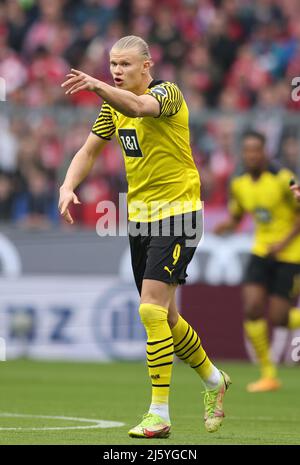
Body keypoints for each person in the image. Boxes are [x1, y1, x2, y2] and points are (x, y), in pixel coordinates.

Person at [59, 35, 231, 438]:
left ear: (147, 66)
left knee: (150, 310)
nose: (117, 71)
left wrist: (97, 84)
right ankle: (213, 380)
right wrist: (68, 185)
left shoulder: (167, 94)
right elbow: (87, 152)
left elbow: (140, 107)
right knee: (166, 318)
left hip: (180, 214)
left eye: (125, 64)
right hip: (141, 219)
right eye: (112, 64)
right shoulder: (111, 108)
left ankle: (159, 413)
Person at [214, 130, 300, 393]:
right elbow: (237, 215)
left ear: (265, 152)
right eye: (248, 150)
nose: (252, 154)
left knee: (279, 317)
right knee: (252, 307)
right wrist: (227, 225)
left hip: (290, 255)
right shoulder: (238, 182)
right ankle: (268, 374)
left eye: (256, 150)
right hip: (261, 251)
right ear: (243, 153)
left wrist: (283, 243)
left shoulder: (285, 179)